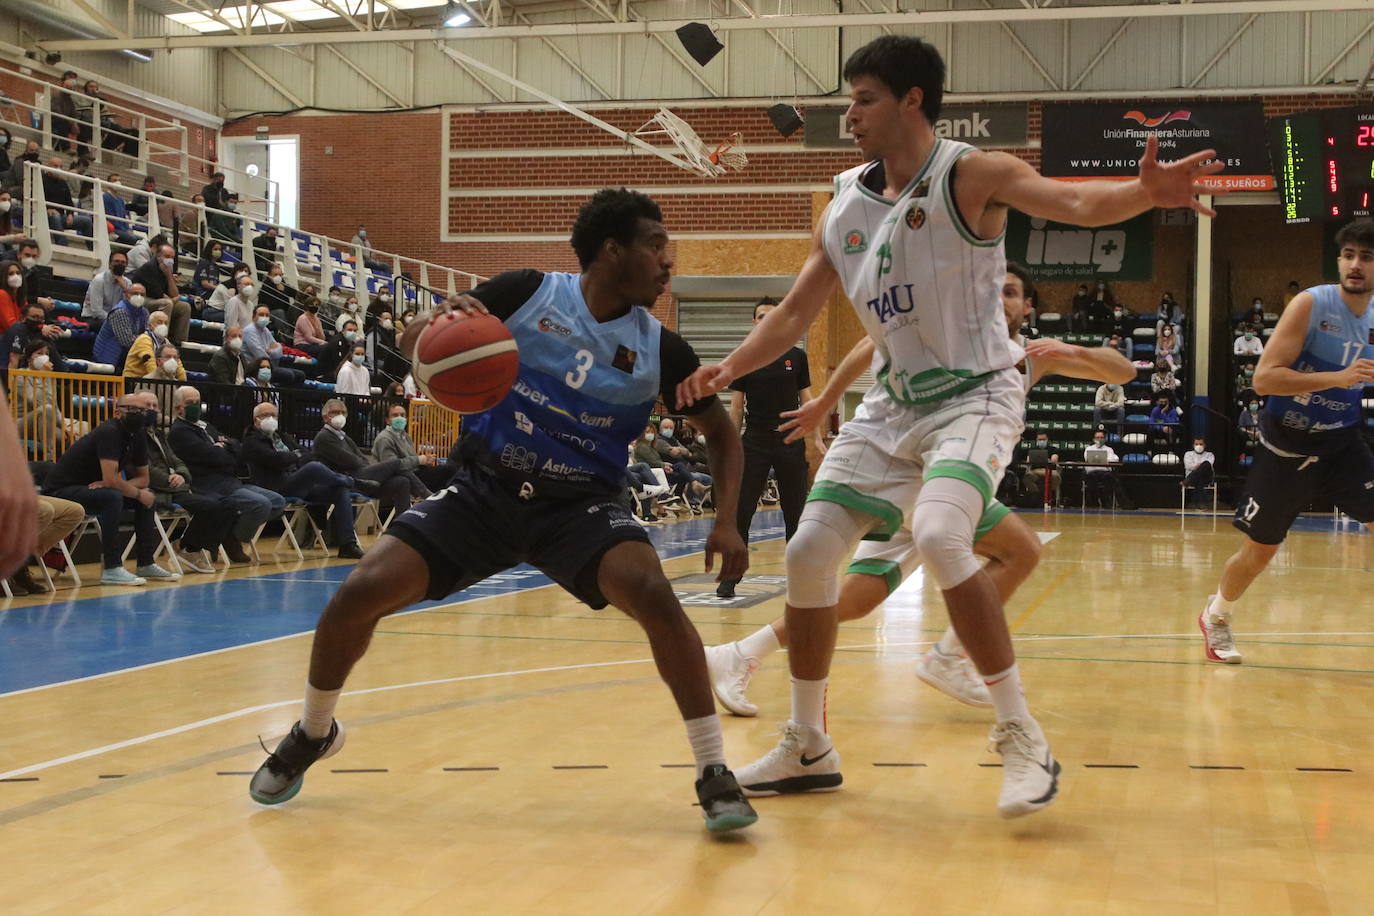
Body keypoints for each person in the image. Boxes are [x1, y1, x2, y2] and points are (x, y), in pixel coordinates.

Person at [675, 34, 1218, 816]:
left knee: (939, 533)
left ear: (912, 101)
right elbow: (796, 313)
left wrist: (1145, 194)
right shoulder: (843, 204)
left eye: (863, 99)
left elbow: (1074, 203)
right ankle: (807, 742)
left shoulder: (971, 174)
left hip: (976, 394)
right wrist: (727, 366)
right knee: (807, 552)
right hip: (894, 405)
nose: (848, 115)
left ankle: (1022, 734)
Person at [250, 189, 757, 834]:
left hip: (580, 506)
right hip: (485, 492)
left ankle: (713, 770)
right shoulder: (527, 292)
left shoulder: (661, 350)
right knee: (361, 589)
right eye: (655, 245)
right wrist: (437, 320)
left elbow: (722, 433)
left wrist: (727, 520)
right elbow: (415, 343)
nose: (668, 260)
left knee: (654, 592)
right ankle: (314, 731)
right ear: (612, 250)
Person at [705, 263, 1136, 722]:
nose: (1000, 299)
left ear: (1027, 306)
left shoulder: (1031, 353)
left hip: (933, 474)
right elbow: (869, 344)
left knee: (858, 599)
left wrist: (1070, 346)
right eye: (992, 289)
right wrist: (825, 402)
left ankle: (740, 653)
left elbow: (1124, 371)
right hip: (916, 469)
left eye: (1011, 292)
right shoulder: (947, 326)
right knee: (1020, 552)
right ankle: (950, 655)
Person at [1203, 223, 1374, 664]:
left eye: (1367, 257)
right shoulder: (1311, 304)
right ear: (1339, 261)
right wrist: (1335, 378)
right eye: (1349, 254)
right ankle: (1217, 616)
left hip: (1342, 445)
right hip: (1288, 449)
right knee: (1259, 554)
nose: (1356, 265)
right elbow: (1264, 379)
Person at [714, 296, 825, 598]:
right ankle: (731, 575)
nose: (766, 320)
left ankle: (801, 576)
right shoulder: (744, 358)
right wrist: (729, 447)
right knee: (742, 513)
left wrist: (815, 437)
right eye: (760, 316)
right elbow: (736, 409)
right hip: (755, 442)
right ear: (754, 322)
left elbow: (807, 399)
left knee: (795, 513)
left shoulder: (796, 357)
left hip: (789, 440)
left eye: (771, 316)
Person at [40, 395, 179, 586]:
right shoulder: (110, 431)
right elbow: (112, 480)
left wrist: (124, 487)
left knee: (147, 497)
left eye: (143, 410)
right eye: (132, 409)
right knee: (114, 496)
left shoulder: (138, 434)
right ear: (117, 412)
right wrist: (132, 490)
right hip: (61, 491)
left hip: (90, 489)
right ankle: (112, 567)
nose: (139, 414)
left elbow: (143, 478)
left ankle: (146, 563)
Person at [167, 385, 285, 563]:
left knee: (278, 501)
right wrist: (224, 450)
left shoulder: (206, 426)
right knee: (261, 504)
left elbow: (237, 448)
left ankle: (228, 533)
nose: (195, 406)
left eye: (197, 402)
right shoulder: (180, 432)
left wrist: (225, 447)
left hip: (231, 480)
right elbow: (214, 456)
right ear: (178, 408)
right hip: (210, 485)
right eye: (190, 403)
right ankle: (231, 539)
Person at [242, 402, 365, 559]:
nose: (271, 418)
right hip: (274, 488)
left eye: (274, 415)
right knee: (314, 467)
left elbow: (308, 453)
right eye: (266, 415)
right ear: (256, 420)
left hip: (297, 483)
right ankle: (355, 483)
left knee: (340, 491)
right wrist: (295, 456)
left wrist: (294, 456)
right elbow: (277, 459)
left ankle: (348, 545)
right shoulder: (251, 441)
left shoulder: (282, 436)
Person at [130, 389, 229, 574]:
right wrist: (169, 479)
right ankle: (190, 548)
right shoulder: (134, 436)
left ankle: (187, 546)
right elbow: (140, 468)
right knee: (211, 505)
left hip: (177, 486)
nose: (151, 409)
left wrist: (182, 474)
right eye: (146, 406)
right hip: (157, 490)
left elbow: (176, 460)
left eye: (154, 406)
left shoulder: (158, 433)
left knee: (224, 502)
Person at [311, 399, 427, 521]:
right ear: (325, 417)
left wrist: (362, 464)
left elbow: (361, 458)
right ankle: (425, 493)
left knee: (402, 481)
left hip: (361, 478)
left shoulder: (344, 437)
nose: (339, 415)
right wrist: (363, 464)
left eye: (342, 412)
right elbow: (350, 461)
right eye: (334, 412)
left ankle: (403, 527)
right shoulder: (324, 437)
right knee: (395, 463)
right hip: (344, 481)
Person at [371, 402, 452, 492]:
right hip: (402, 476)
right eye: (395, 415)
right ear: (387, 420)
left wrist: (425, 461)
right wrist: (419, 459)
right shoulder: (385, 438)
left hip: (415, 472)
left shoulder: (405, 436)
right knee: (449, 470)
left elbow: (412, 460)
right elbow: (392, 466)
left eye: (402, 415)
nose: (399, 418)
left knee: (449, 473)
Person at [130, 242, 190, 345]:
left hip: (158, 299)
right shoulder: (149, 268)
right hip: (142, 299)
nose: (170, 260)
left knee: (184, 307)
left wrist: (169, 276)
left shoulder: (167, 269)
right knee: (167, 303)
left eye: (172, 257)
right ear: (158, 257)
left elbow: (174, 294)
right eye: (167, 256)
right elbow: (158, 293)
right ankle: (162, 340)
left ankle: (180, 342)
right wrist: (174, 299)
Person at [244, 304, 305, 386]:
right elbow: (260, 356)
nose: (264, 317)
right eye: (261, 314)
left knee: (300, 374)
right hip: (257, 368)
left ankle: (290, 398)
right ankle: (280, 397)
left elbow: (279, 349)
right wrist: (271, 351)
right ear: (253, 317)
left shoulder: (266, 330)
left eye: (267, 315)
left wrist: (270, 351)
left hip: (270, 366)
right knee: (289, 375)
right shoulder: (249, 330)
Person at [41, 156, 94, 238]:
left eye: (61, 166)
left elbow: (69, 202)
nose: (58, 168)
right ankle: (62, 244)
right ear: (48, 166)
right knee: (55, 217)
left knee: (86, 221)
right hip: (45, 215)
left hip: (62, 216)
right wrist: (47, 209)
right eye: (55, 166)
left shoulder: (63, 183)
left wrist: (70, 214)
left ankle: (92, 248)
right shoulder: (41, 180)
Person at [1082, 429, 1131, 509]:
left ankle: (1108, 502)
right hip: (1092, 472)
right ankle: (1094, 502)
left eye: (1101, 437)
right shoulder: (1088, 449)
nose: (1099, 439)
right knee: (1090, 479)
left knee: (1109, 478)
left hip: (1105, 472)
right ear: (1094, 439)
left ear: (1104, 439)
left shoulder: (1109, 450)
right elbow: (1087, 459)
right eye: (1097, 437)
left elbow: (1113, 460)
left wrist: (1105, 460)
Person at [83, 250, 132, 328]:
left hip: (116, 320)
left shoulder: (127, 283)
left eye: (123, 262)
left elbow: (131, 307)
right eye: (116, 261)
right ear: (110, 264)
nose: (120, 264)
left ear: (126, 265)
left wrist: (125, 289)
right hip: (93, 318)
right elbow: (96, 311)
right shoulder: (99, 280)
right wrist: (115, 321)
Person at [121, 309, 170, 379]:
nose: (163, 325)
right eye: (159, 322)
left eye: (165, 323)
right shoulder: (144, 339)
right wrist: (160, 383)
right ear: (150, 325)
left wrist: (183, 381)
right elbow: (150, 363)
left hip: (150, 381)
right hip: (133, 381)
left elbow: (177, 363)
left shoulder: (166, 341)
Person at [1022, 431, 1061, 507]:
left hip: (1049, 471)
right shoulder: (1032, 449)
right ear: (1036, 439)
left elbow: (1054, 460)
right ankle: (1038, 496)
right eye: (1040, 439)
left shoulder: (1053, 449)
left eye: (1043, 439)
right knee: (1027, 477)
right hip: (1035, 471)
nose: (1042, 441)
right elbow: (1028, 460)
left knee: (1056, 477)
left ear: (1047, 439)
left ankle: (1048, 496)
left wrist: (1047, 460)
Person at [1183, 437, 1215, 509]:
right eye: (1196, 444)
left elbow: (1209, 465)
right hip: (1196, 479)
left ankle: (1187, 481)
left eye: (1201, 444)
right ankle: (1201, 503)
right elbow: (1188, 466)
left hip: (1206, 477)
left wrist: (1197, 466)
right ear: (1193, 445)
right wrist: (1201, 465)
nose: (1199, 446)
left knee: (1206, 464)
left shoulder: (1210, 455)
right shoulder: (1188, 454)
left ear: (1205, 445)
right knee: (1200, 479)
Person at [0, 259, 26, 331]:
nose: (16, 276)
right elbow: (10, 325)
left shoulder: (21, 297)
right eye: (11, 274)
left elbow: (28, 319)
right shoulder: (1, 294)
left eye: (18, 273)